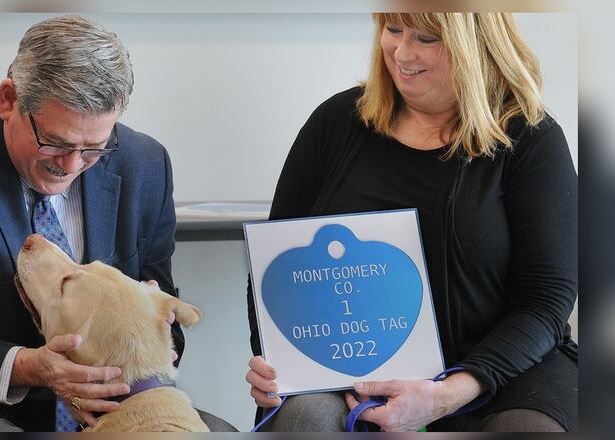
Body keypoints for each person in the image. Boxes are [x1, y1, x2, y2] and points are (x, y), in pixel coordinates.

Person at [0, 15, 235, 432]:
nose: (73, 166)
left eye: (94, 149)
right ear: (9, 100)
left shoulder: (143, 164)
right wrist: (27, 367)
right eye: (55, 143)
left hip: (112, 405)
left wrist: (150, 334)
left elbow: (166, 327)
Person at [246, 12, 577, 432]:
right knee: (306, 420)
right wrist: (279, 365)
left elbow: (546, 299)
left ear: (476, 44)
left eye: (426, 37)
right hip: (347, 369)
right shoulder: (336, 123)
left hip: (503, 367)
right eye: (393, 29)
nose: (402, 52)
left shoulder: (530, 139)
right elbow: (274, 270)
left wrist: (448, 393)